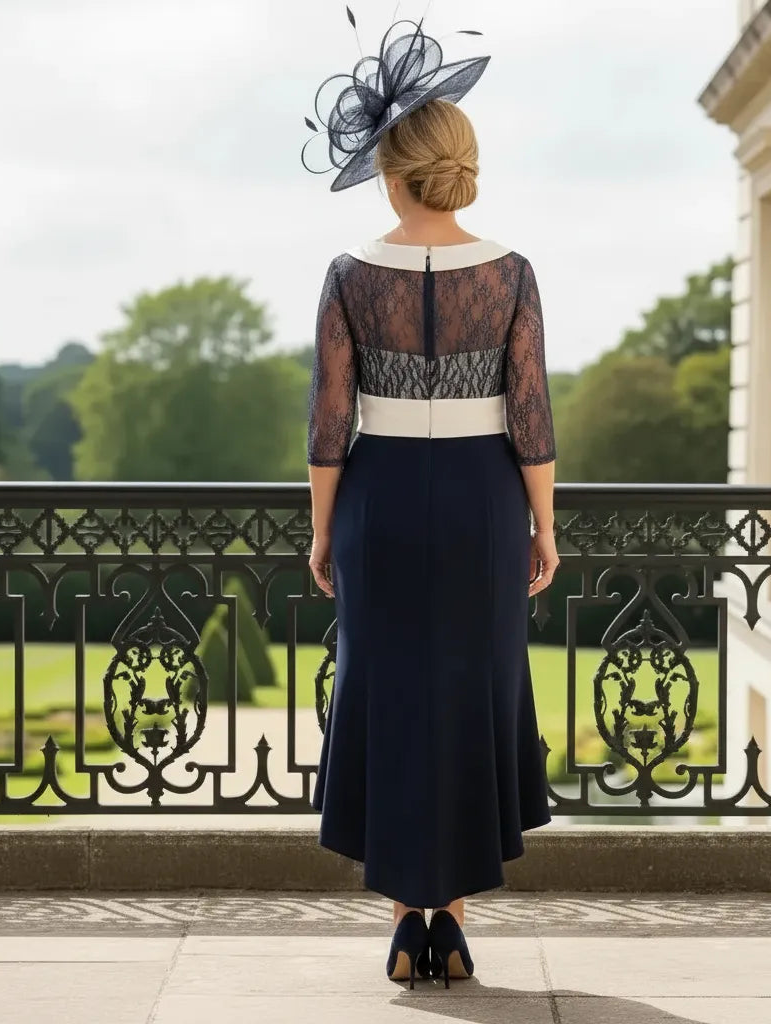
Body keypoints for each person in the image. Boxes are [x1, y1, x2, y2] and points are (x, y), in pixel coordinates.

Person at [301, 12, 559, 990]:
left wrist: (326, 531)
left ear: (389, 166)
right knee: (469, 692)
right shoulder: (511, 272)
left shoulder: (346, 273)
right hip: (484, 500)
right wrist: (544, 524)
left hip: (379, 502)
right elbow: (530, 414)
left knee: (389, 693)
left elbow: (330, 424)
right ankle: (450, 918)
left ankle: (406, 916)